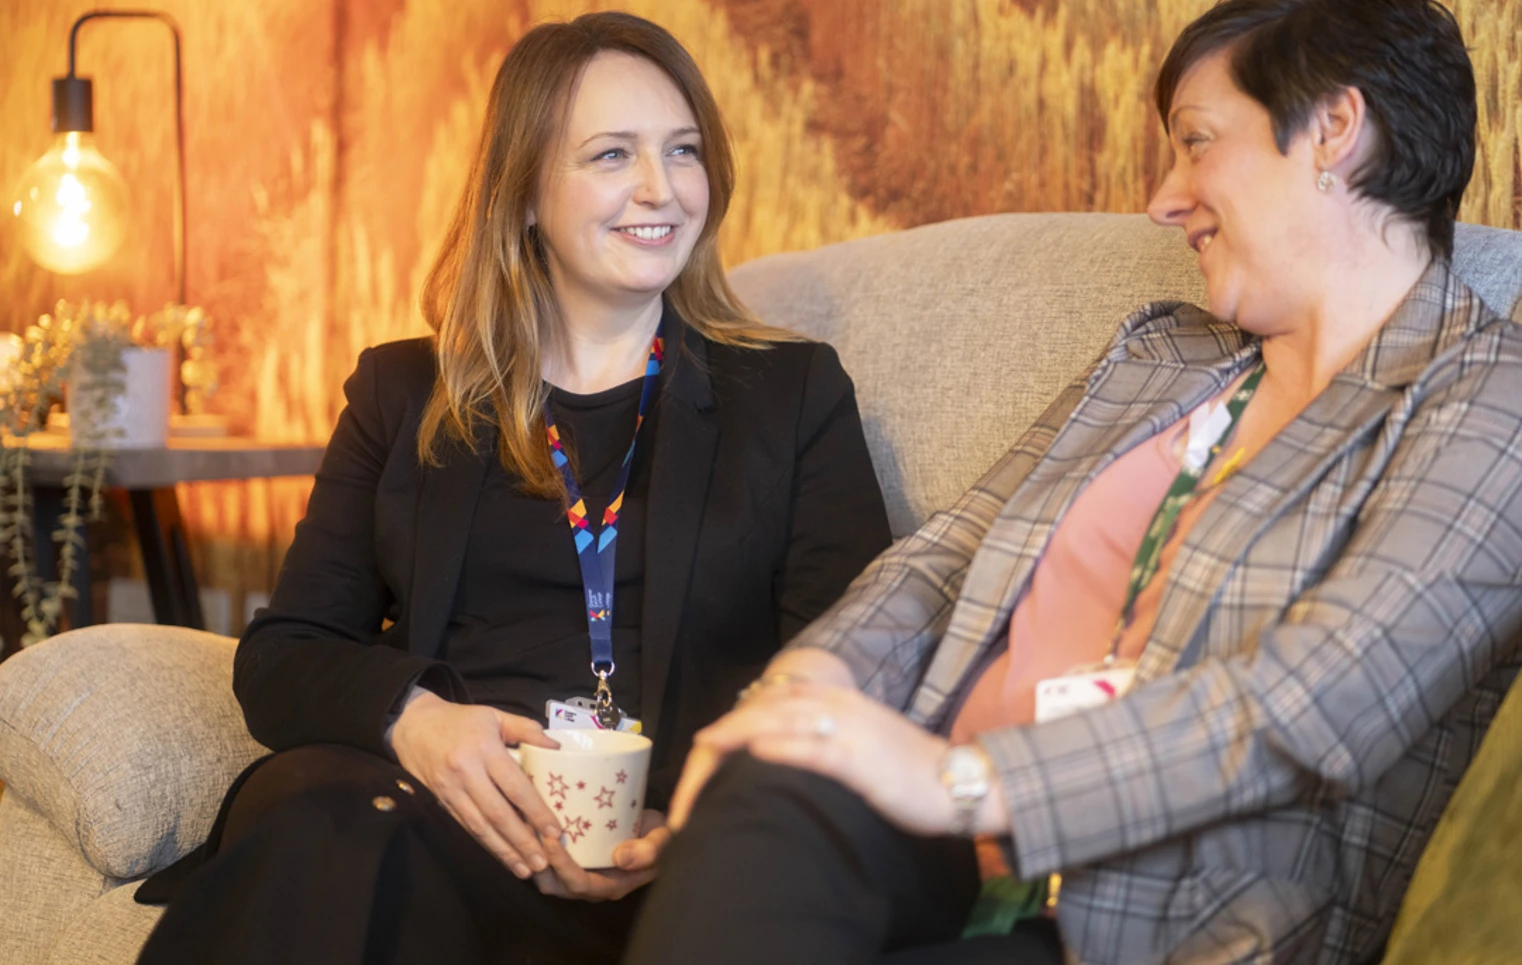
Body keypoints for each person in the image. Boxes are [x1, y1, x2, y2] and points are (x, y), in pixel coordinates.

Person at [622, 2, 1522, 963]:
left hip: (1150, 911)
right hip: (933, 831)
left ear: (1334, 131)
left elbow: (1315, 699)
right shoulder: (1170, 354)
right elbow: (950, 553)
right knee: (765, 784)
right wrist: (808, 688)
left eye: (1197, 143)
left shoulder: (1488, 397)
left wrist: (957, 777)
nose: (1164, 200)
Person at [133, 12, 890, 965]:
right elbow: (284, 656)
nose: (660, 189)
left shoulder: (791, 395)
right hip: (423, 808)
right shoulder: (404, 392)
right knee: (330, 821)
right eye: (612, 155)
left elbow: (857, 660)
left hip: (657, 850)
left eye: (683, 150)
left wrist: (697, 818)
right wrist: (418, 723)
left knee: (334, 849)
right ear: (524, 191)